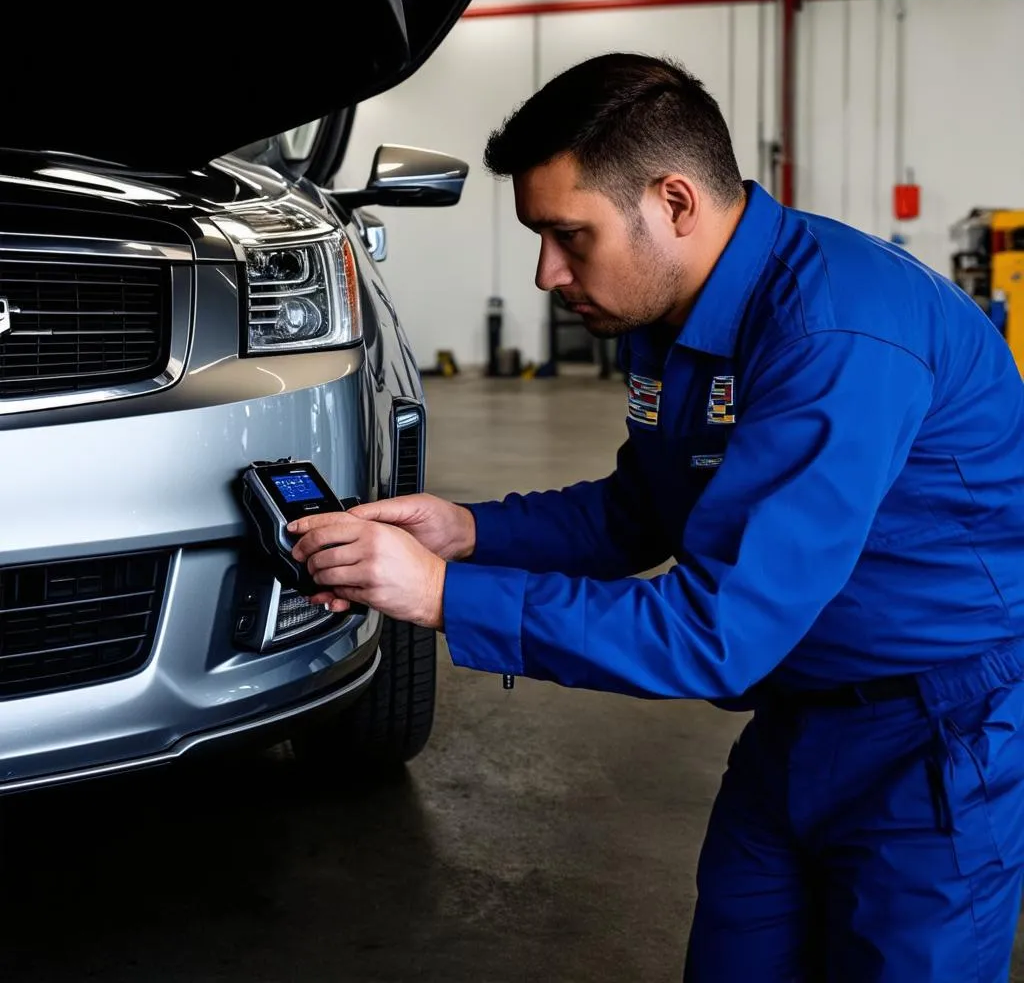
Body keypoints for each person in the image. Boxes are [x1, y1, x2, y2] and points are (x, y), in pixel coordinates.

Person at [287, 52, 1024, 981]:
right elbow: (643, 509)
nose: (548, 272)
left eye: (568, 235)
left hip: (934, 741)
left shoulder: (835, 336)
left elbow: (718, 632)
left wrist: (443, 596)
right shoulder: (671, 313)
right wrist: (468, 535)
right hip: (798, 721)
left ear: (674, 202)